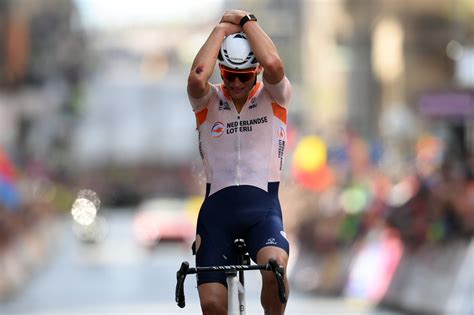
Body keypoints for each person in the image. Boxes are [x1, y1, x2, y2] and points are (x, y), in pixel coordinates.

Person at [187, 9, 292, 315]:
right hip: (216, 216)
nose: (234, 83)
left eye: (242, 76)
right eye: (228, 75)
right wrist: (221, 28)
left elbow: (273, 63)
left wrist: (246, 20)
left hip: (262, 212)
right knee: (212, 305)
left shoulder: (275, 97)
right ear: (220, 70)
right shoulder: (207, 101)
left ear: (255, 72)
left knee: (275, 270)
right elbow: (196, 76)